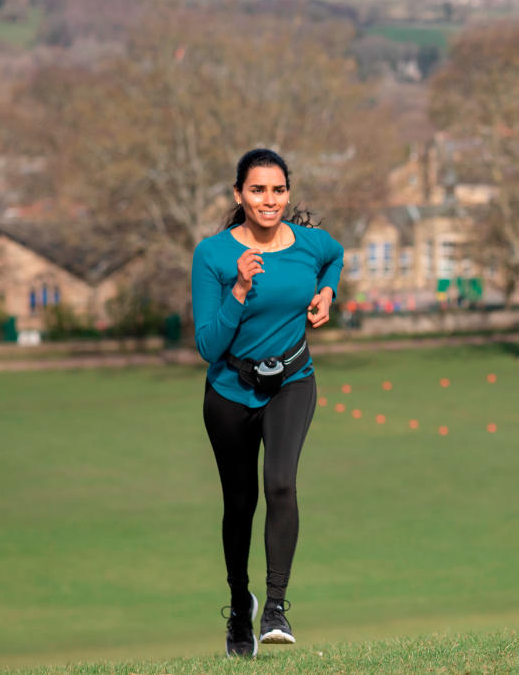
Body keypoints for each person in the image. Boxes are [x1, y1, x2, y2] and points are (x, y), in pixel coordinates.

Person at [191, 148, 343, 657]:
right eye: (257, 190)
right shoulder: (212, 255)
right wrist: (238, 288)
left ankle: (276, 608)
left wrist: (327, 292)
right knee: (240, 504)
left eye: (278, 190)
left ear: (288, 192)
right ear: (239, 195)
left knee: (280, 483)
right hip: (230, 392)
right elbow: (208, 347)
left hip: (292, 381)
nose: (269, 200)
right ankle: (240, 605)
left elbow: (335, 256)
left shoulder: (309, 244)